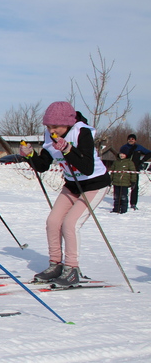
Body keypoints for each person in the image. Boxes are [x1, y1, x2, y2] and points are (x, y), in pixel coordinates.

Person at [19, 101, 110, 287]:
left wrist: (68, 149)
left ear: (68, 123)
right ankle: (55, 265)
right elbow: (43, 165)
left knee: (70, 223)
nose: (52, 130)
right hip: (72, 185)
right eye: (49, 126)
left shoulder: (81, 132)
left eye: (56, 127)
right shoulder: (50, 135)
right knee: (53, 221)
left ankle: (72, 268)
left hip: (94, 184)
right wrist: (30, 155)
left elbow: (86, 167)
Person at [122, 134, 151, 210]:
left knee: (134, 187)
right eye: (129, 139)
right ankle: (122, 202)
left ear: (135, 140)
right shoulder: (124, 147)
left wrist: (142, 161)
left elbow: (149, 153)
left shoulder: (139, 147)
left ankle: (133, 203)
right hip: (125, 170)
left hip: (135, 170)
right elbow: (119, 156)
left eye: (132, 139)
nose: (131, 140)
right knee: (123, 186)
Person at [110, 145, 136, 214]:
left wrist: (133, 181)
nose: (122, 155)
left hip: (124, 183)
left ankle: (124, 209)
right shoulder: (116, 162)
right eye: (121, 153)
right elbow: (112, 172)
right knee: (116, 197)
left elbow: (133, 173)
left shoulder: (129, 163)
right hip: (116, 182)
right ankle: (116, 208)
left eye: (124, 154)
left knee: (123, 196)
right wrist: (110, 179)